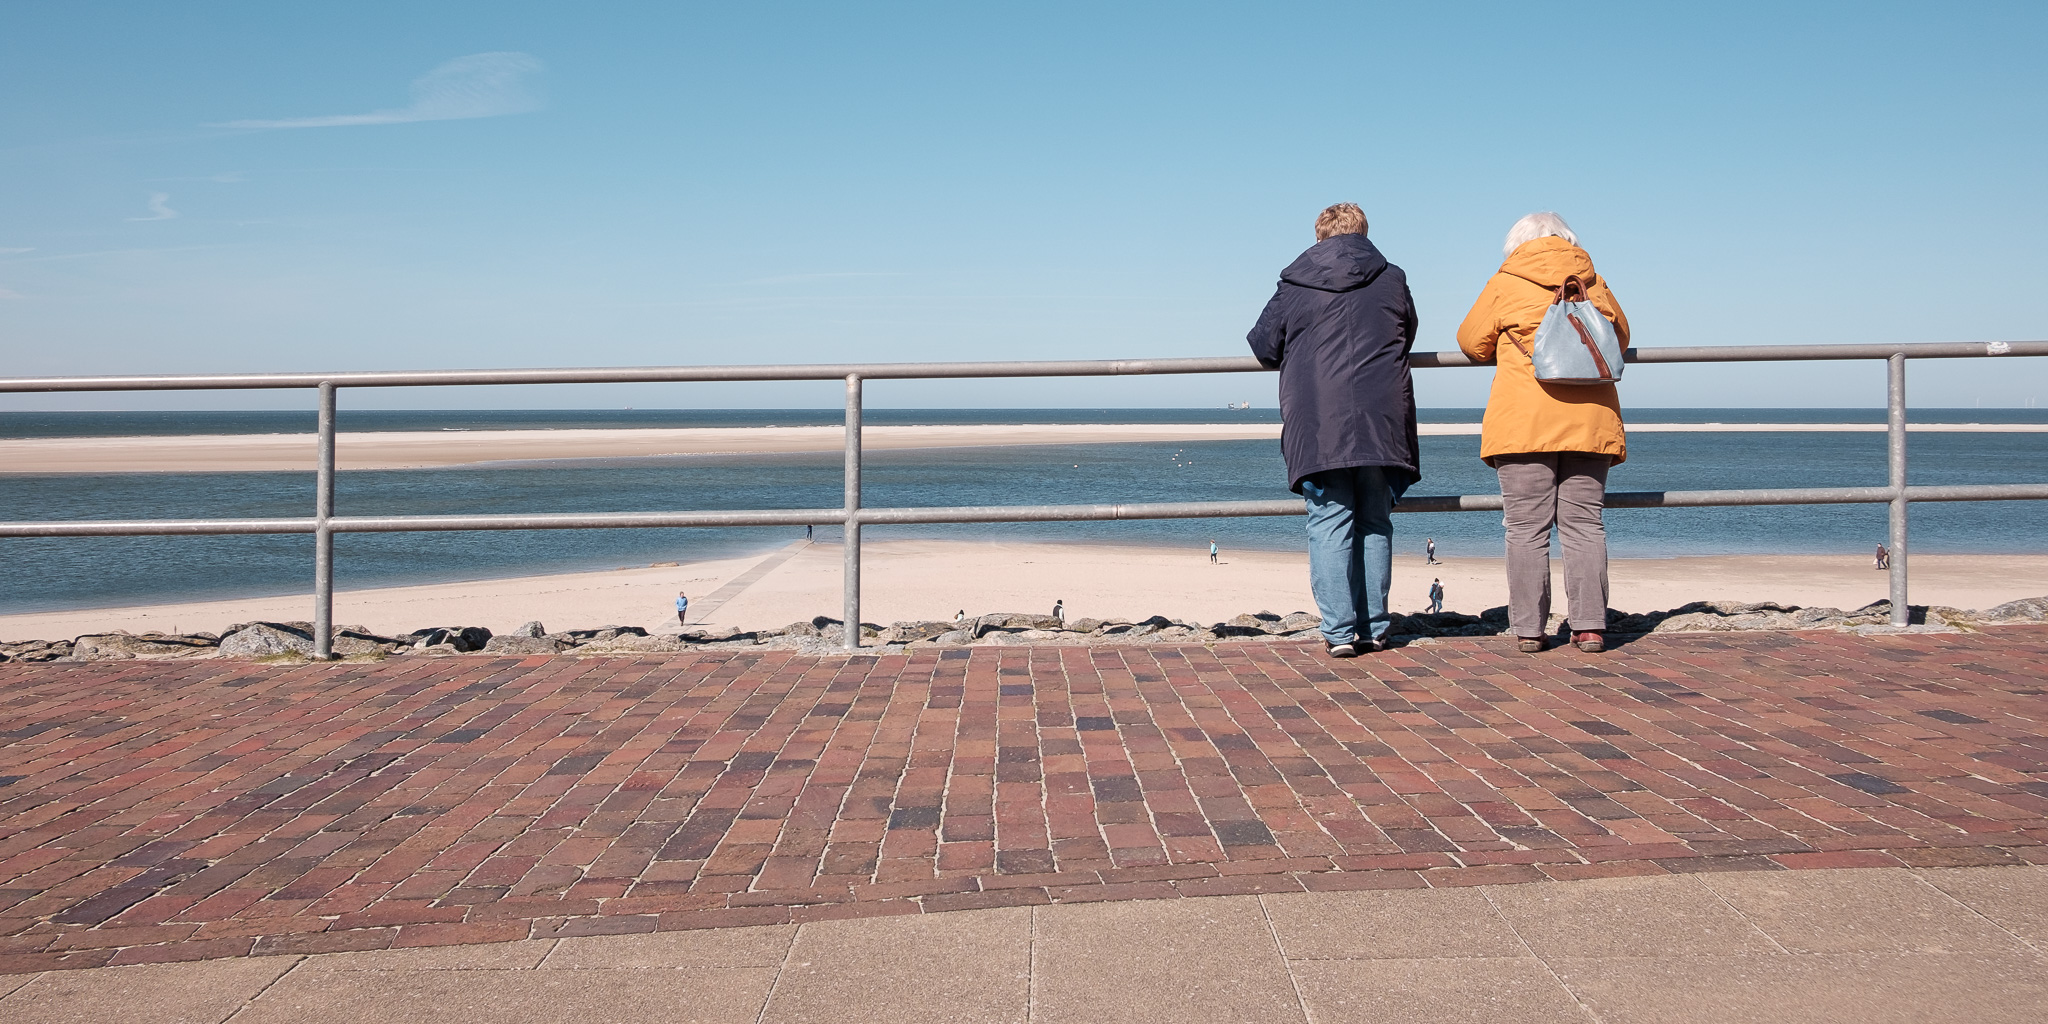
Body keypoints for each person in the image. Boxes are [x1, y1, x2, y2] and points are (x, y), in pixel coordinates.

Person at [1248, 203, 1421, 658]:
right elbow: (1408, 331)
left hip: (1319, 420)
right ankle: (1374, 626)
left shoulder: (1295, 281)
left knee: (1329, 519)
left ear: (1320, 236)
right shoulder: (1393, 277)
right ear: (1364, 233)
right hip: (1382, 417)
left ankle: (1340, 631)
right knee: (1374, 519)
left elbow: (1264, 344)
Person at [1457, 212, 1630, 654]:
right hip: (1590, 420)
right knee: (1585, 525)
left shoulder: (1506, 280)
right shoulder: (1592, 280)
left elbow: (1471, 342)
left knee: (1525, 528)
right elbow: (1621, 338)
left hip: (1523, 424)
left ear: (1517, 243)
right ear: (1567, 240)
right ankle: (1590, 626)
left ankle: (1530, 630)